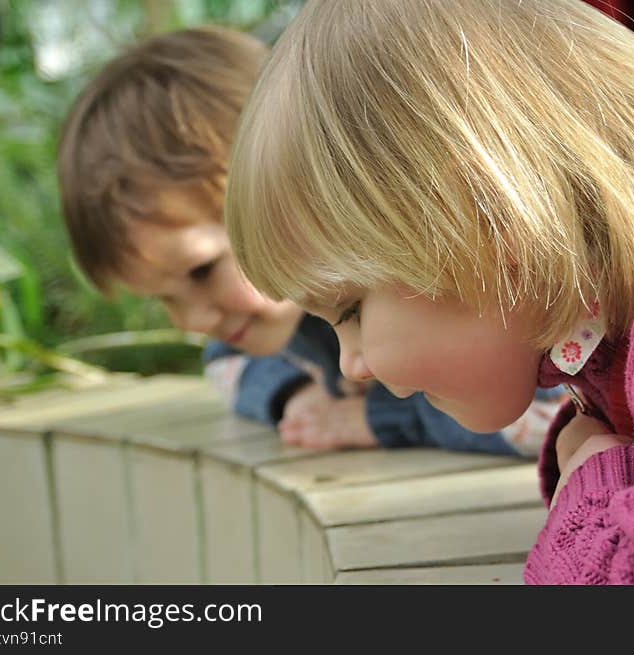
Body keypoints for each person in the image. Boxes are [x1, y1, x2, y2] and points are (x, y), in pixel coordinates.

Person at [225, 0, 634, 583]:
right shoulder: (628, 311)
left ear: (492, 226)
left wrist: (592, 482)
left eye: (351, 311)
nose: (351, 366)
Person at [56, 25, 558, 458]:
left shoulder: (421, 290)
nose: (194, 321)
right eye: (164, 298)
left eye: (202, 271)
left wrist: (380, 422)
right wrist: (291, 396)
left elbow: (550, 420)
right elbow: (224, 364)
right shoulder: (282, 330)